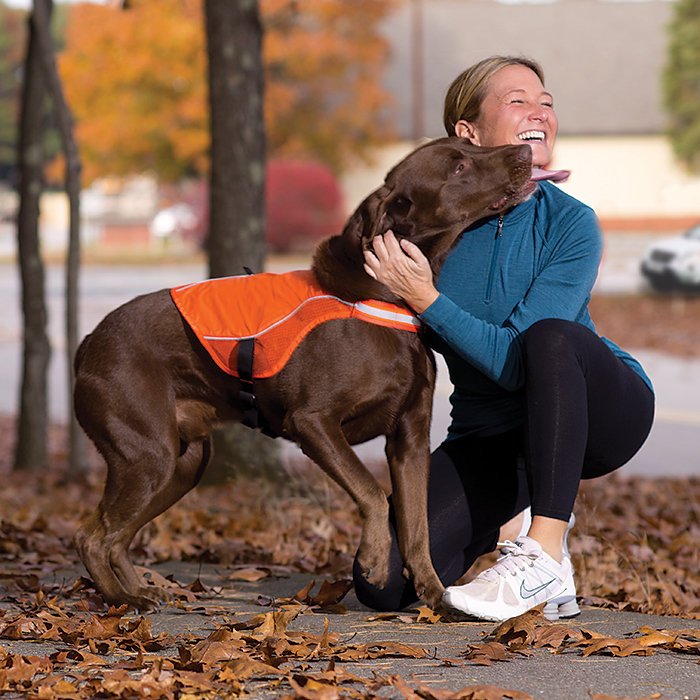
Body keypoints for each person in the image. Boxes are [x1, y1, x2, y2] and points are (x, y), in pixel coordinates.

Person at [355, 55, 655, 622]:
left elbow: (520, 363)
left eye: (545, 100)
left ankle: (544, 550)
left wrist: (427, 300)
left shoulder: (570, 223)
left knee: (550, 339)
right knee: (383, 583)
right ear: (467, 133)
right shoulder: (427, 234)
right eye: (517, 100)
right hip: (491, 436)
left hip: (596, 415)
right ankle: (516, 519)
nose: (539, 110)